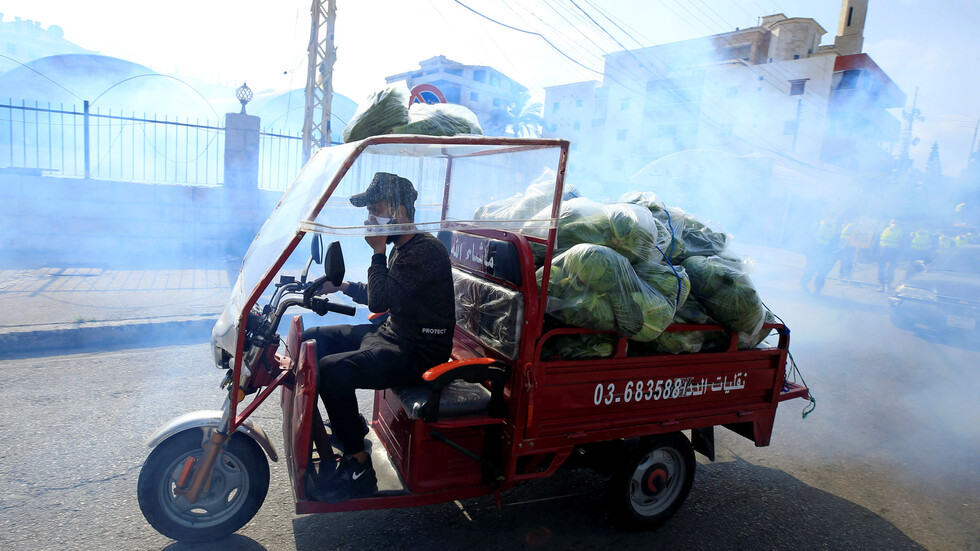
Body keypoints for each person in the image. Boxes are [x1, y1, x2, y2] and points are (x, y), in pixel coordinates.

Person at [301, 172, 456, 501]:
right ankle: (349, 424)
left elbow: (381, 299)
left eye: (376, 209)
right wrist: (342, 287)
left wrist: (375, 252)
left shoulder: (424, 250)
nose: (370, 218)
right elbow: (388, 291)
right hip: (393, 333)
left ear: (399, 211)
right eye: (368, 210)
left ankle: (358, 463)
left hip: (417, 351)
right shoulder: (404, 245)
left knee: (330, 370)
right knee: (314, 337)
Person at [800, 218, 840, 294]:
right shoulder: (817, 225)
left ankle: (818, 289)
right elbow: (809, 237)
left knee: (823, 272)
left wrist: (832, 251)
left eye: (833, 217)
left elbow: (836, 240)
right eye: (830, 217)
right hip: (814, 251)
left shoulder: (835, 228)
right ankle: (804, 283)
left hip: (826, 252)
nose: (831, 220)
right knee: (810, 268)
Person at [876, 219, 905, 292]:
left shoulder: (900, 232)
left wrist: (900, 255)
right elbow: (878, 240)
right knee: (881, 268)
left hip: (893, 251)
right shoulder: (884, 230)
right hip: (883, 251)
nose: (894, 224)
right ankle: (881, 285)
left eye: (895, 223)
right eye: (892, 223)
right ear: (889, 223)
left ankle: (888, 286)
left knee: (890, 269)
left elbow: (901, 244)